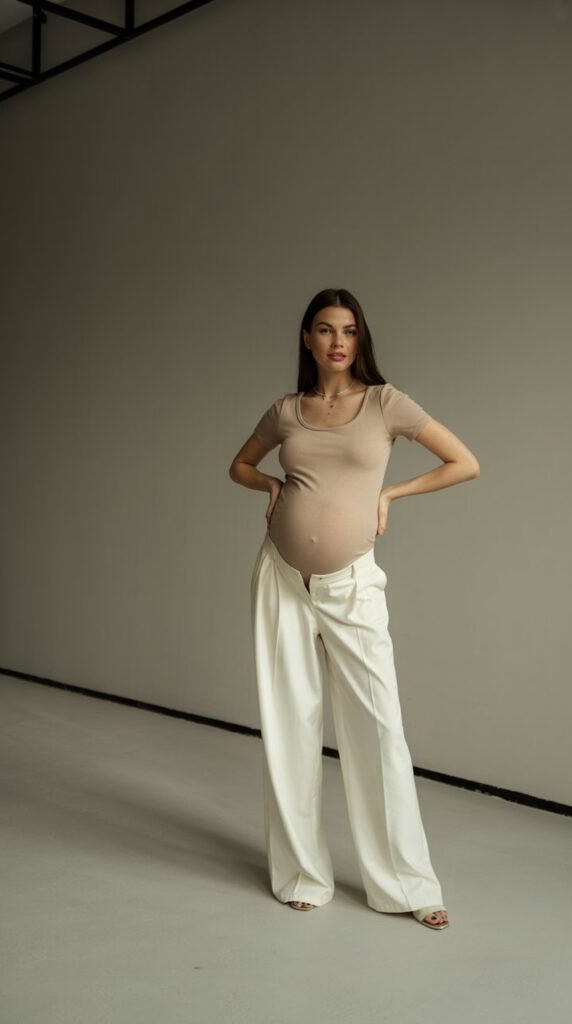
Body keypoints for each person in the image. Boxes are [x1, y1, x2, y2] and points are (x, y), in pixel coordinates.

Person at [229, 287, 480, 930]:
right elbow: (240, 465)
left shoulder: (386, 403)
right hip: (282, 577)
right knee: (288, 722)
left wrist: (391, 494)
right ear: (307, 339)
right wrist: (270, 482)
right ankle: (301, 876)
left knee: (378, 727)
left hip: (351, 582)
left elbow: (464, 462)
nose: (337, 341)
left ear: (359, 338)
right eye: (324, 329)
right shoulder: (287, 410)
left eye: (347, 330)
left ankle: (405, 885)